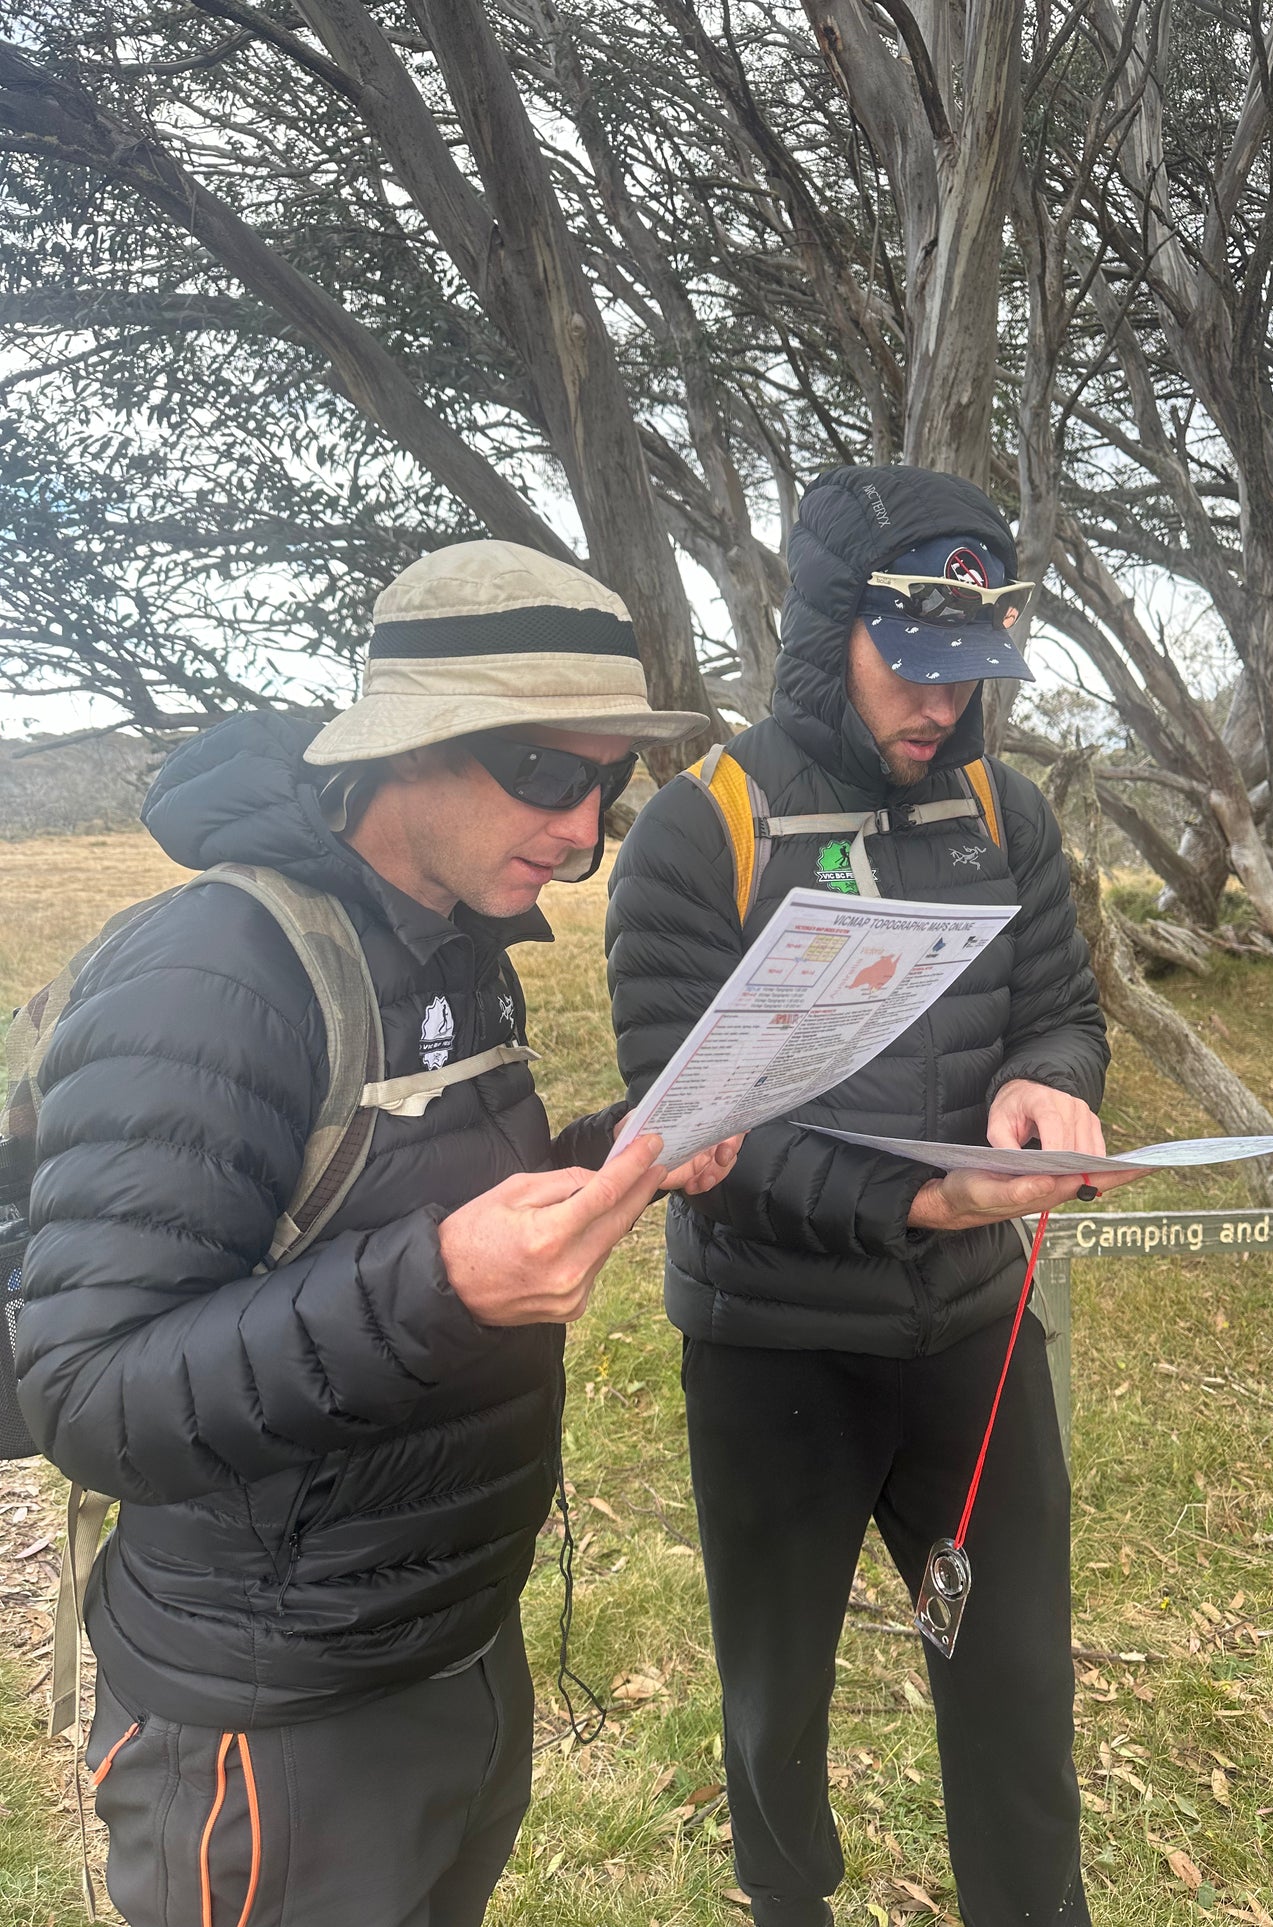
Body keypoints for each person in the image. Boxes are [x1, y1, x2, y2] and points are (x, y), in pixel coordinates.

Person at [17, 541, 738, 1927]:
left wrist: (620, 1155)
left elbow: (411, 1199)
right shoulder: (211, 972)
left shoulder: (452, 936)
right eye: (543, 772)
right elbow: (89, 1395)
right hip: (272, 1711)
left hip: (448, 1639)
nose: (584, 829)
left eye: (609, 780)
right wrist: (443, 1287)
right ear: (406, 749)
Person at [607, 465, 1140, 1927]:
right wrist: (913, 1205)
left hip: (973, 1328)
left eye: (971, 676)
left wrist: (1048, 1080)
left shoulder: (1000, 809)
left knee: (1017, 1672)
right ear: (827, 627)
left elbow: (1060, 1008)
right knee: (774, 1691)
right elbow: (692, 1124)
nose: (942, 709)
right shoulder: (696, 831)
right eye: (913, 668)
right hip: (772, 1338)